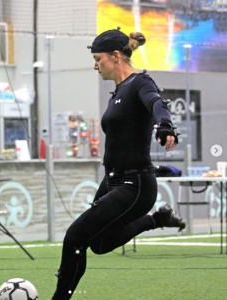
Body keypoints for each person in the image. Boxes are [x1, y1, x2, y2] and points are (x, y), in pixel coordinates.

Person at [50, 27, 186, 300]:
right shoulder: (118, 92)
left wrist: (165, 125)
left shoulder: (140, 83)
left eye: (98, 59)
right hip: (113, 179)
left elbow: (157, 104)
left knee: (74, 237)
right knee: (99, 244)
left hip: (134, 184)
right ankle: (157, 220)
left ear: (115, 56)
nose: (95, 65)